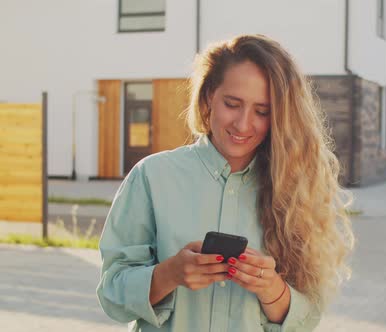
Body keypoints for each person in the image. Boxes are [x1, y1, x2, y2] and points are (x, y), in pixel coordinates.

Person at [96, 34, 355, 332]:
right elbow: (111, 294)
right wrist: (169, 274)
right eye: (232, 104)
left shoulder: (295, 191)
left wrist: (272, 290)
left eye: (262, 111)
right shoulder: (152, 177)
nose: (243, 124)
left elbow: (307, 320)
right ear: (208, 97)